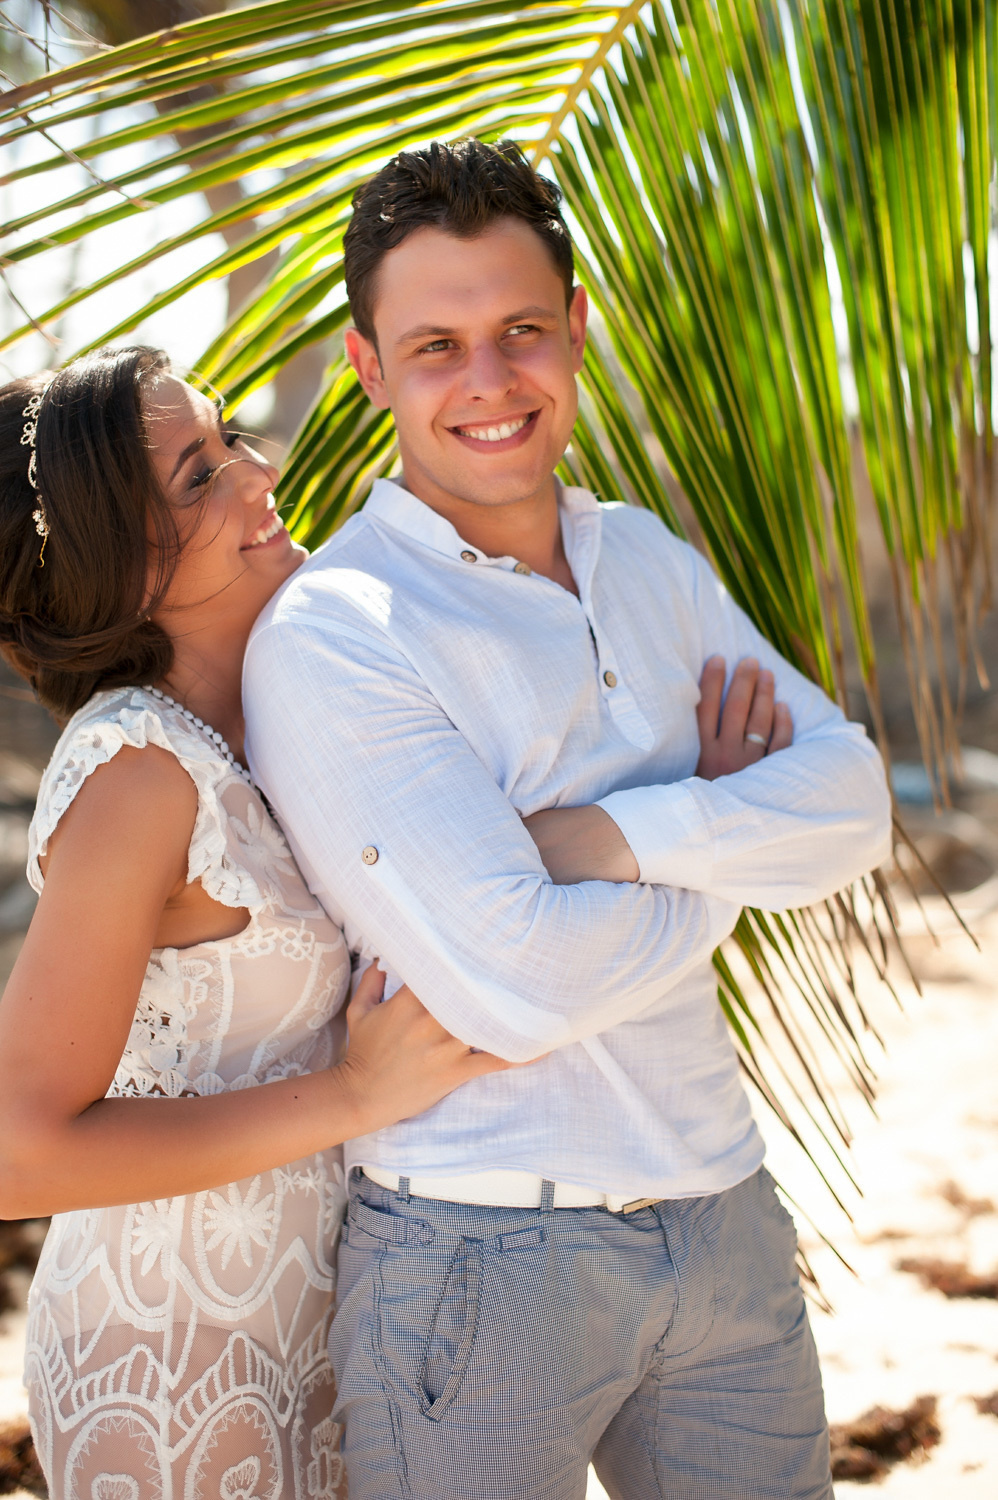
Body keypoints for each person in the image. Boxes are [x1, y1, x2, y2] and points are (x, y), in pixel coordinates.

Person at [243, 139, 894, 1499]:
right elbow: (520, 981)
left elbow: (852, 805)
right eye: (436, 346)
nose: (488, 382)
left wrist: (602, 838)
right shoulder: (340, 632)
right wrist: (718, 824)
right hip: (477, 1256)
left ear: (575, 330)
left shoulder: (645, 557)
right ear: (367, 369)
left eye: (520, 331)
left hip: (721, 1223)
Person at [0, 346, 521, 1500]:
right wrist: (352, 1097)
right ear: (119, 570)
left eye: (228, 438)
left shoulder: (294, 712)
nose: (259, 471)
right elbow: (18, 1151)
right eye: (199, 475)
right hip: (175, 1351)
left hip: (335, 1324)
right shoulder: (141, 770)